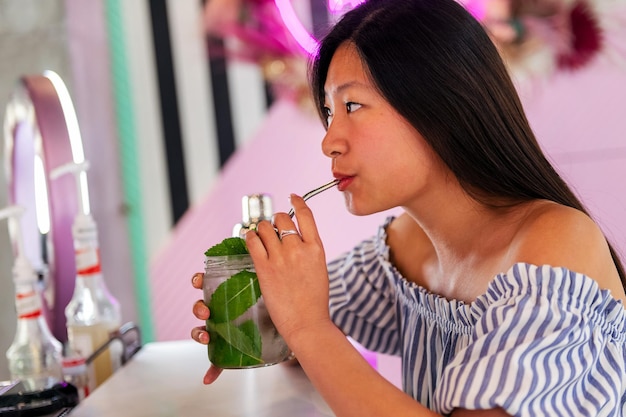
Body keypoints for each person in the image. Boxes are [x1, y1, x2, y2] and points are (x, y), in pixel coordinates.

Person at [191, 0, 626, 414]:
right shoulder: (405, 246)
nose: (329, 141)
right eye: (328, 111)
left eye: (353, 105)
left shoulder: (556, 245)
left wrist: (308, 328)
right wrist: (260, 315)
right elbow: (302, 331)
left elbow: (312, 330)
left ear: (440, 104)